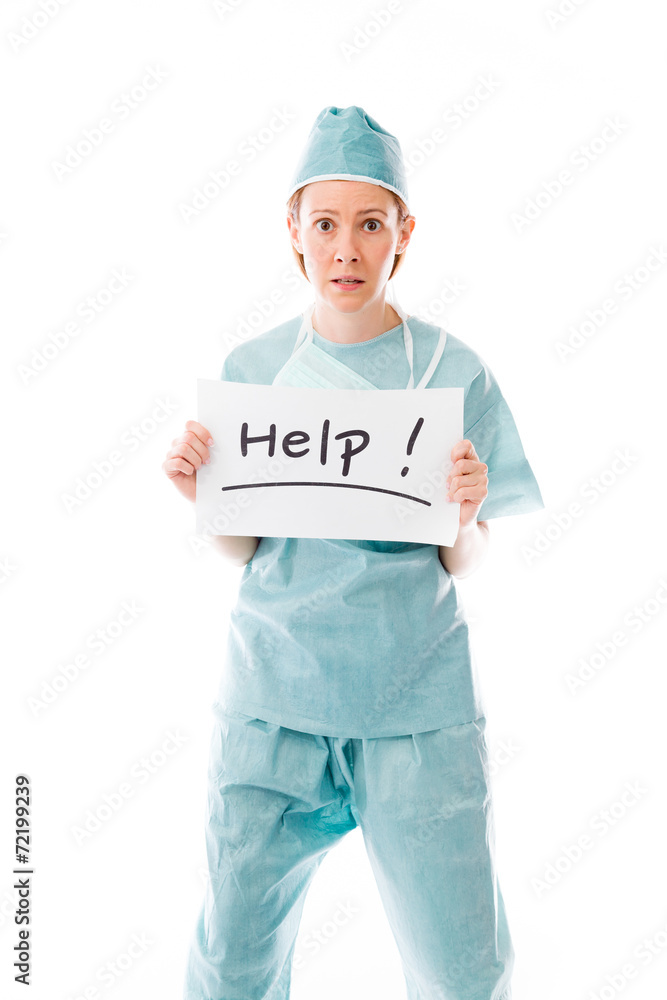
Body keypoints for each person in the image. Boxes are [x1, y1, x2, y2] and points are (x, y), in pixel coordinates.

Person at [163, 105, 544, 1000]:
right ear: (292, 232)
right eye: (324, 224)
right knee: (232, 966)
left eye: (369, 224)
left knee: (461, 970)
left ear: (402, 233)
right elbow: (243, 546)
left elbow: (465, 561)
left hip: (414, 702)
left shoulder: (453, 371)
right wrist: (200, 496)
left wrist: (462, 508)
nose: (345, 249)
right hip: (272, 700)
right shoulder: (253, 371)